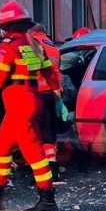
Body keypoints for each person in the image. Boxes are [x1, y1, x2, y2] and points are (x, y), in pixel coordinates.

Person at [0, 0, 63, 211]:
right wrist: (57, 94)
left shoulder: (8, 46)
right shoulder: (34, 44)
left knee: (35, 154)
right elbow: (49, 73)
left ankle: (47, 201)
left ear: (6, 26)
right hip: (30, 100)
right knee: (1, 148)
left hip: (19, 104)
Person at [31, 23, 64, 181]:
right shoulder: (53, 47)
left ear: (33, 32)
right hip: (52, 93)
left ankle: (42, 171)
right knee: (49, 133)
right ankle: (53, 168)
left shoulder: (32, 44)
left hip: (36, 93)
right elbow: (56, 71)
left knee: (36, 134)